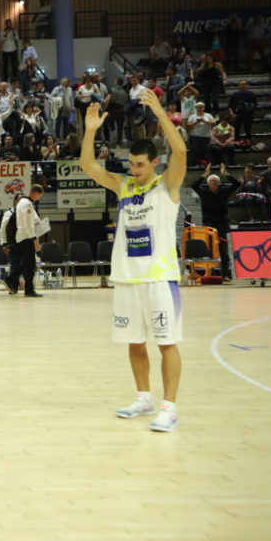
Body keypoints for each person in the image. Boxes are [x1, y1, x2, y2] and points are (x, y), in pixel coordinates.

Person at [78, 94, 187, 433]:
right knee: (134, 342)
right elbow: (89, 166)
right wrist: (90, 131)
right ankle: (144, 398)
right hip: (128, 278)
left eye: (140, 165)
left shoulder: (167, 184)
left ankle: (169, 408)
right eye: (131, 164)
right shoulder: (124, 185)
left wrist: (159, 112)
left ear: (154, 162)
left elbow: (180, 152)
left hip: (158, 278)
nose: (134, 170)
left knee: (166, 343)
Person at [191, 164, 237, 279]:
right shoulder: (204, 192)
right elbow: (193, 185)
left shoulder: (224, 191)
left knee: (224, 251)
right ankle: (208, 274)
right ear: (208, 183)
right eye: (211, 180)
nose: (214, 182)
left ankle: (225, 275)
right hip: (209, 224)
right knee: (210, 250)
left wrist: (225, 174)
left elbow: (237, 184)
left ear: (219, 182)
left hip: (223, 224)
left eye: (216, 180)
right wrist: (204, 175)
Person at [6, 185, 45, 297]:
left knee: (28, 264)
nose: (39, 198)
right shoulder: (27, 204)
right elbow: (28, 224)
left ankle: (20, 284)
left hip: (22, 237)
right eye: (40, 196)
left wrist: (38, 221)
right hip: (26, 237)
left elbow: (32, 219)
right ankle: (24, 287)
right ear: (36, 193)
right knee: (30, 265)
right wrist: (34, 240)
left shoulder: (22, 202)